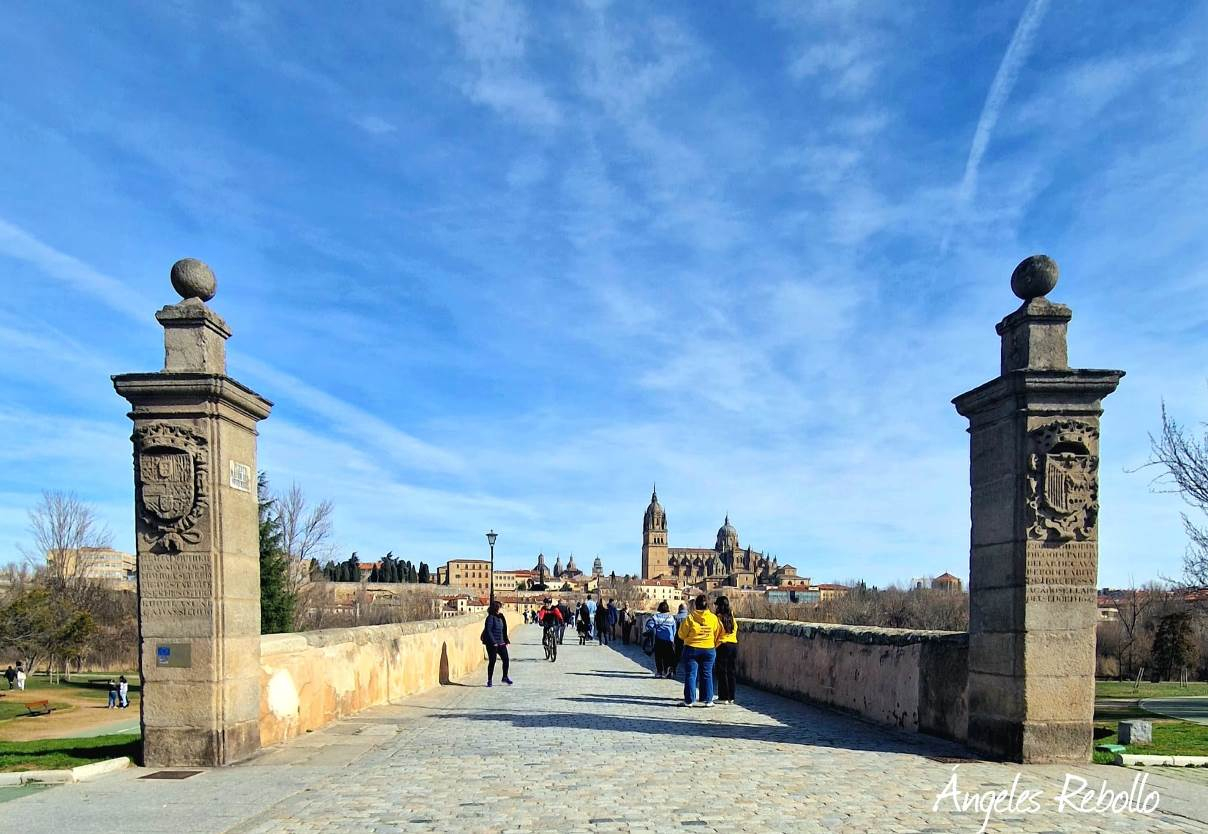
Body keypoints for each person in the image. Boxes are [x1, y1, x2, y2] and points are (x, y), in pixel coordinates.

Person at [676, 594, 722, 707]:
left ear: (696, 605)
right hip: (709, 648)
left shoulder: (690, 618)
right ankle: (708, 700)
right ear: (707, 606)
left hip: (692, 648)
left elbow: (681, 634)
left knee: (691, 674)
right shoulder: (713, 618)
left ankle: (689, 700)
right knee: (707, 674)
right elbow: (718, 633)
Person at [480, 601, 513, 687]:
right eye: (499, 607)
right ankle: (489, 680)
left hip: (501, 642)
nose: (501, 609)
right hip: (492, 644)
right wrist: (493, 642)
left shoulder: (501, 616)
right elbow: (488, 630)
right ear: (496, 608)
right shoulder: (490, 618)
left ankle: (505, 677)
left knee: (506, 659)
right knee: (492, 661)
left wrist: (505, 640)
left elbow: (504, 629)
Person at [713, 596, 739, 705]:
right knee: (731, 672)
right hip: (733, 645)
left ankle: (723, 697)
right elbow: (735, 628)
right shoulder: (731, 616)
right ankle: (731, 696)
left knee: (722, 672)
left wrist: (714, 644)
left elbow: (716, 632)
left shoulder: (718, 618)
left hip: (723, 645)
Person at [645, 601, 678, 677]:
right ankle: (667, 671)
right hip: (669, 640)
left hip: (659, 640)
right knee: (667, 656)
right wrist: (672, 638)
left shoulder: (655, 617)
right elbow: (674, 629)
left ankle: (659, 672)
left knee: (658, 656)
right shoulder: (671, 618)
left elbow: (649, 626)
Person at [672, 602, 689, 676]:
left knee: (677, 655)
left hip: (678, 639)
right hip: (687, 640)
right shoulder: (689, 618)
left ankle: (673, 669)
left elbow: (673, 629)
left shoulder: (675, 617)